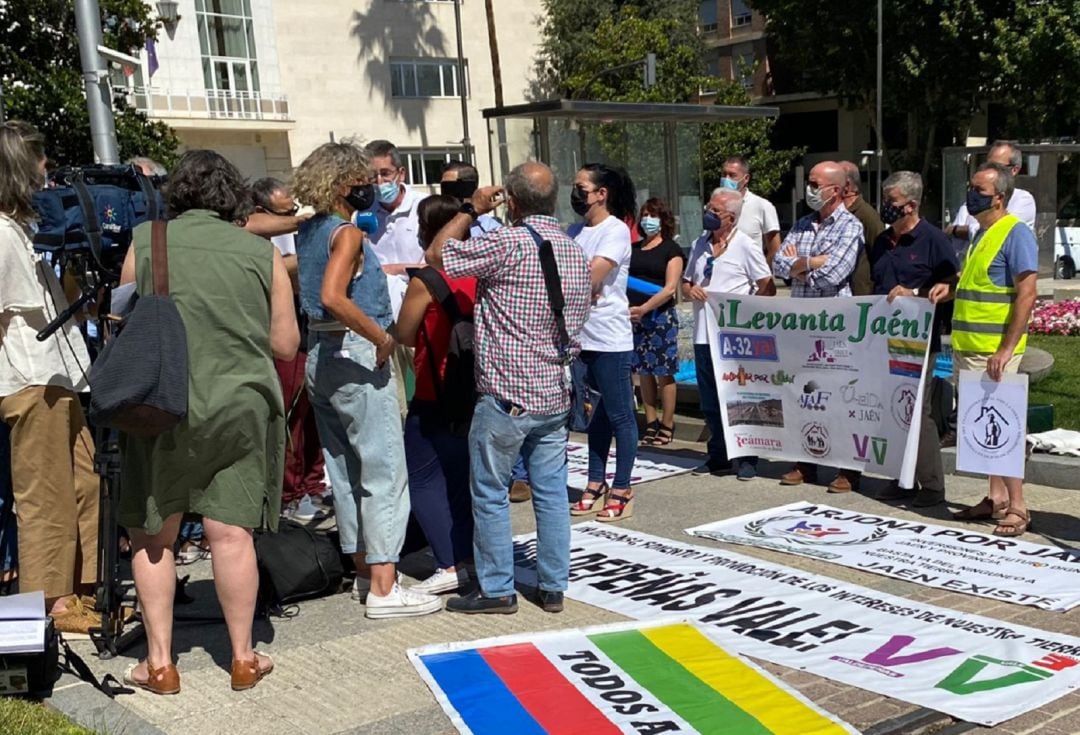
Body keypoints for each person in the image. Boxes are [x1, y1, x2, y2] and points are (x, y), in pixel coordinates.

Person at [117, 150, 299, 694]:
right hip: (242, 403)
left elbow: (121, 318)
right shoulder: (258, 251)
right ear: (232, 198)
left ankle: (159, 664)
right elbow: (286, 343)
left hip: (161, 402)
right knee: (230, 533)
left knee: (155, 531)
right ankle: (243, 658)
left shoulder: (148, 240)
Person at [426, 162, 590, 615]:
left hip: (509, 394)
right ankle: (553, 585)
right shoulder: (572, 247)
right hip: (555, 391)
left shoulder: (507, 241)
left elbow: (439, 255)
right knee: (552, 492)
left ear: (512, 203)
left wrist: (468, 209)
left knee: (491, 493)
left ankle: (497, 588)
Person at [292, 142, 441, 618]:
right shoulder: (346, 234)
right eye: (362, 180)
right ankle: (384, 584)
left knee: (345, 468)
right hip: (354, 351)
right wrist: (381, 336)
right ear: (342, 184)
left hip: (320, 352)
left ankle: (363, 569)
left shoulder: (309, 229)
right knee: (383, 470)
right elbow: (334, 296)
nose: (370, 188)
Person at [0, 121, 100, 635]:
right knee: (44, 498)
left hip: (61, 376)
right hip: (28, 378)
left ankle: (81, 592)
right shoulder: (0, 233)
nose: (48, 170)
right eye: (40, 160)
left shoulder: (27, 230)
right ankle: (46, 608)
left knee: (85, 485)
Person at [930, 162, 1039, 537]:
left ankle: (1019, 508)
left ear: (1000, 197)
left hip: (994, 352)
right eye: (971, 188)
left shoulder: (1015, 233)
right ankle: (996, 499)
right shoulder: (982, 233)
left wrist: (1007, 349)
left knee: (1004, 429)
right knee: (984, 426)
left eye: (979, 190)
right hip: (970, 348)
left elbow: (1027, 293)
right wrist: (952, 288)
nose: (971, 195)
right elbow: (980, 283)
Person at [396, 195, 475, 595]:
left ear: (428, 231)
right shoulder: (481, 273)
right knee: (463, 479)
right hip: (476, 389)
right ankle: (467, 554)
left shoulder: (425, 280)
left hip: (434, 387)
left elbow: (404, 334)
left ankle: (448, 561)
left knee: (424, 477)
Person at [438, 161, 531, 503]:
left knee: (509, 405)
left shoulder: (493, 230)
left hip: (495, 324)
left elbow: (441, 256)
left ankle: (517, 475)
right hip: (456, 319)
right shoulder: (448, 221)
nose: (449, 195)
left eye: (454, 187)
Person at [868, 172, 959, 508]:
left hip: (919, 343)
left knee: (917, 413)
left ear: (911, 204)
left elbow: (950, 286)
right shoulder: (881, 241)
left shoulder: (933, 240)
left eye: (891, 202)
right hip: (883, 341)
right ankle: (902, 478)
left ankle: (932, 486)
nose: (885, 208)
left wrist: (917, 293)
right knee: (892, 411)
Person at [773, 161, 863, 492]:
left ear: (836, 190)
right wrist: (812, 262)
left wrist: (802, 264)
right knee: (803, 394)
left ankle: (847, 468)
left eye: (815, 183)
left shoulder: (850, 227)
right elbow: (779, 264)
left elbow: (834, 275)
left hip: (834, 326)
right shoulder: (801, 224)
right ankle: (805, 460)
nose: (810, 189)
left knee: (839, 397)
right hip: (802, 325)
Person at [250, 177, 328, 524]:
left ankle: (312, 482)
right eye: (284, 211)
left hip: (308, 319)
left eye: (294, 208)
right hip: (278, 327)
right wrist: (308, 235)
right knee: (289, 411)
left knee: (311, 410)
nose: (292, 215)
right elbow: (274, 266)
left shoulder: (295, 228)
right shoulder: (252, 231)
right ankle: (291, 492)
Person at [684, 187, 775, 480]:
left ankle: (747, 457)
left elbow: (766, 283)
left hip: (734, 337)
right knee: (710, 400)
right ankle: (718, 455)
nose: (708, 215)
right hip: (702, 333)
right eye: (708, 209)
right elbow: (687, 282)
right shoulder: (700, 243)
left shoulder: (745, 245)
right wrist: (690, 289)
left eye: (715, 211)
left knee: (741, 397)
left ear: (731, 218)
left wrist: (747, 308)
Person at [569, 164, 639, 522]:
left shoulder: (615, 231)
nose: (575, 193)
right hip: (580, 335)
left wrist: (578, 282)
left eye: (581, 187)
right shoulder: (575, 230)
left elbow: (590, 275)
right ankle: (595, 481)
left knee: (620, 413)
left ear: (601, 193)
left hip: (609, 336)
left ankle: (623, 486)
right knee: (593, 414)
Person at [628, 197, 685, 446]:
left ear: (663, 220)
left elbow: (670, 288)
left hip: (659, 317)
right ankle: (650, 421)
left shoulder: (672, 250)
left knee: (664, 372)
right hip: (635, 317)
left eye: (653, 215)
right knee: (643, 371)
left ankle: (667, 423)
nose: (648, 219)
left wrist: (645, 308)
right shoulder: (634, 248)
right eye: (644, 214)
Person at [945, 140, 1037, 247]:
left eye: (997, 166)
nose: (988, 171)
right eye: (987, 165)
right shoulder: (972, 201)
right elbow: (952, 240)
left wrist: (957, 230)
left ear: (1014, 170)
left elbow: (995, 229)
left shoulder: (1023, 200)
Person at [721, 156, 782, 266]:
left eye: (732, 175)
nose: (726, 179)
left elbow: (775, 249)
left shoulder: (762, 206)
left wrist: (761, 275)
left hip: (750, 280)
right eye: (724, 175)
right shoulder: (716, 206)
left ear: (746, 178)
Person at [839, 160, 885, 297]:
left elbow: (880, 254)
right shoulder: (832, 215)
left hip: (859, 299)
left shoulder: (867, 216)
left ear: (846, 185)